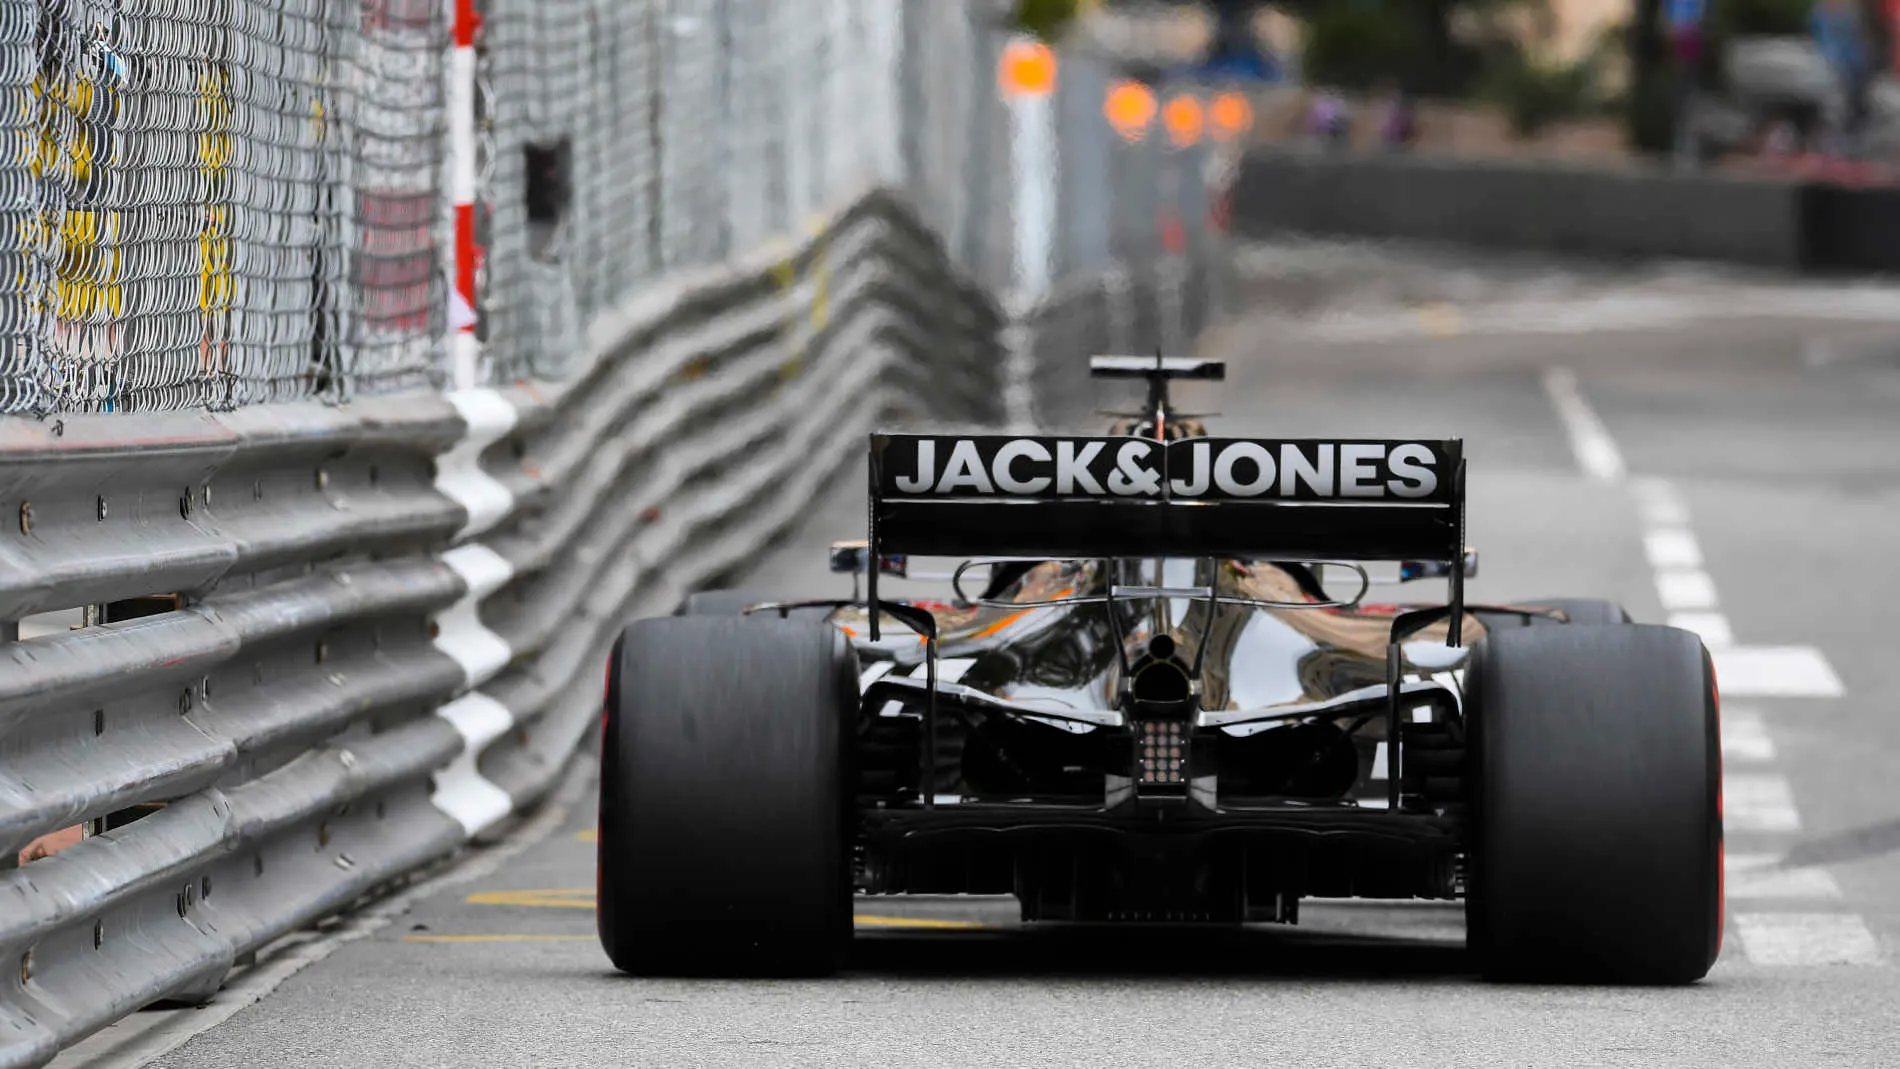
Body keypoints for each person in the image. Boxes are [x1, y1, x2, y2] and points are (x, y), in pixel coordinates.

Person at [1811, 0, 1872, 157]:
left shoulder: (1852, 10)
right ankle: (1834, 145)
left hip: (1852, 66)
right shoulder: (1821, 11)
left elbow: (1860, 37)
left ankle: (1848, 145)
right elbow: (1820, 38)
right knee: (1836, 108)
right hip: (1832, 66)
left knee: (1854, 108)